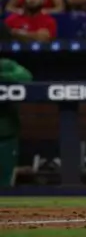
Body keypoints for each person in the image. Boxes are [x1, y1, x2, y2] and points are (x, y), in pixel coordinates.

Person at [0, 59, 31, 187]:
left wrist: (3, 77)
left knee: (5, 182)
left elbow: (26, 77)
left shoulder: (5, 65)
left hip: (7, 136)